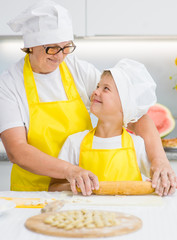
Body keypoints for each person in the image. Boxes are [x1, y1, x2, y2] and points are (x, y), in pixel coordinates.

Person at [0, 0, 176, 195]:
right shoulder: (10, 84)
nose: (60, 56)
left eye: (66, 47)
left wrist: (160, 159)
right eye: (52, 48)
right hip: (30, 191)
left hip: (79, 191)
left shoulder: (77, 69)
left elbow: (130, 109)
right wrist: (70, 170)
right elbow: (17, 150)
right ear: (31, 46)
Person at [49, 59, 176, 196]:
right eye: (97, 86)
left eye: (106, 89)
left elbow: (161, 181)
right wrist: (77, 186)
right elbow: (53, 187)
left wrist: (165, 181)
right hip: (87, 214)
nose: (96, 91)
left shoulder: (137, 144)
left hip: (129, 215)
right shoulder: (74, 142)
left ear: (125, 106)